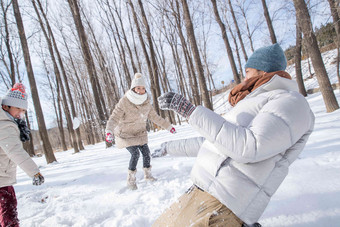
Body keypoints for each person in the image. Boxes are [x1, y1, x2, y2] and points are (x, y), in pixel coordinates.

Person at [152, 43, 315, 226]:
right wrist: (168, 148)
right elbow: (214, 142)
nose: (243, 77)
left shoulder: (290, 101)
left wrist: (191, 112)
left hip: (224, 203)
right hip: (199, 191)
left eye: (248, 71)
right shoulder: (252, 101)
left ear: (262, 71)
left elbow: (249, 147)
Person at [105, 73, 176, 190]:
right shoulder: (124, 101)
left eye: (143, 88)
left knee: (146, 153)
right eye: (138, 88)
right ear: (133, 88)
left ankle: (148, 175)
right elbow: (114, 118)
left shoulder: (146, 102)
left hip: (139, 133)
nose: (141, 90)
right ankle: (131, 180)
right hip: (125, 134)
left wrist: (168, 126)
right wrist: (109, 131)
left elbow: (155, 117)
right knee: (135, 154)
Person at [0, 83, 45, 226]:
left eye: (23, 110)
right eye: (17, 108)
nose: (21, 113)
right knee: (8, 215)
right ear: (6, 106)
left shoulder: (7, 122)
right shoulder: (5, 124)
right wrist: (35, 172)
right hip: (1, 180)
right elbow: (15, 151)